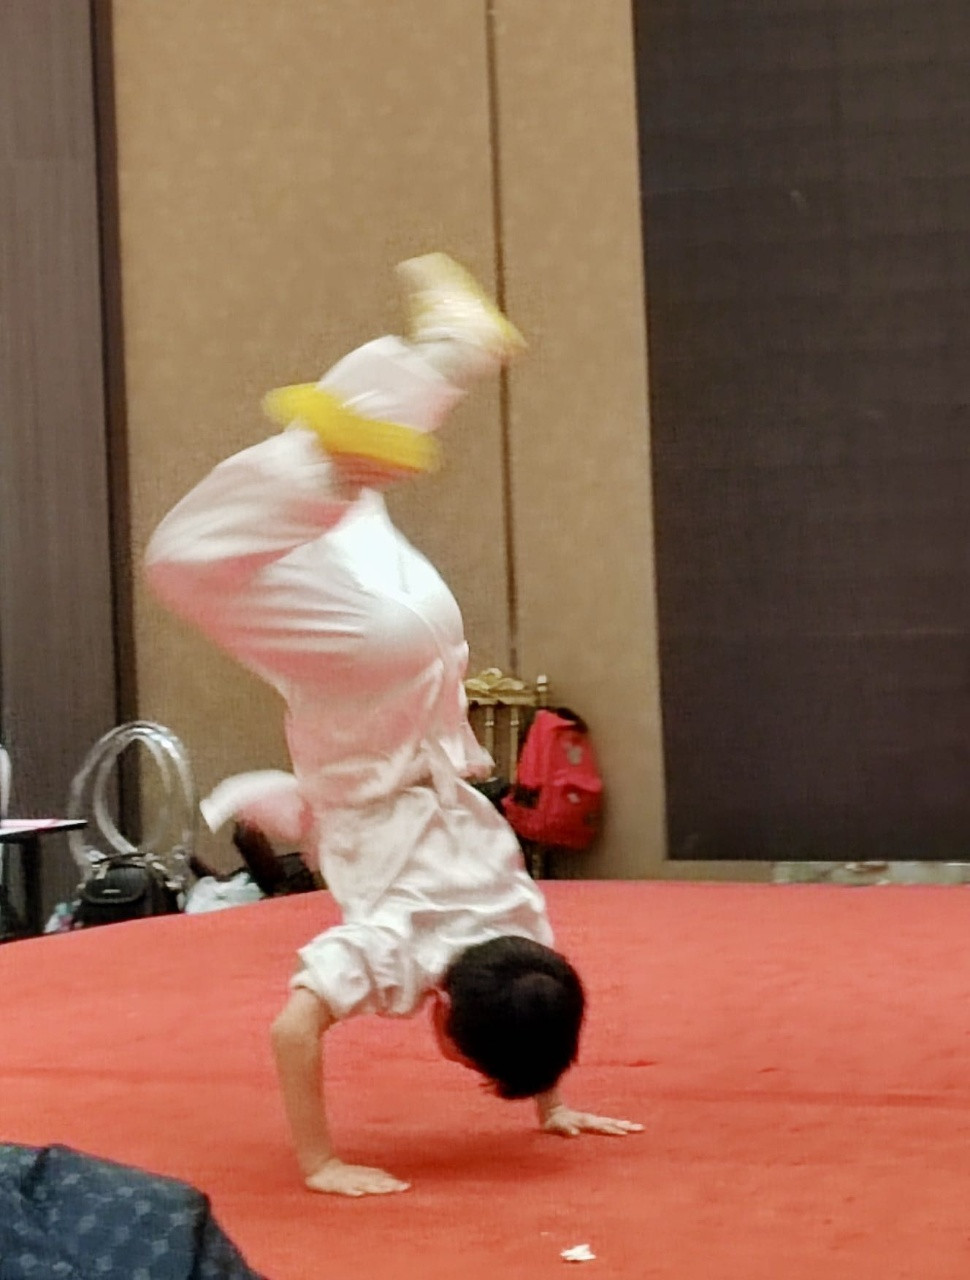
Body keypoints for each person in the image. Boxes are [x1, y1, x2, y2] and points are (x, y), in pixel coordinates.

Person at [146, 254, 641, 1198]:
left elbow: (543, 991)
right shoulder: (402, 953)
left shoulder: (520, 922)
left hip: (431, 638)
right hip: (368, 680)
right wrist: (321, 1162)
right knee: (183, 560)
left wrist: (551, 1098)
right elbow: (294, 1029)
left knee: (333, 467)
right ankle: (353, 454)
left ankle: (449, 352)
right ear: (447, 1016)